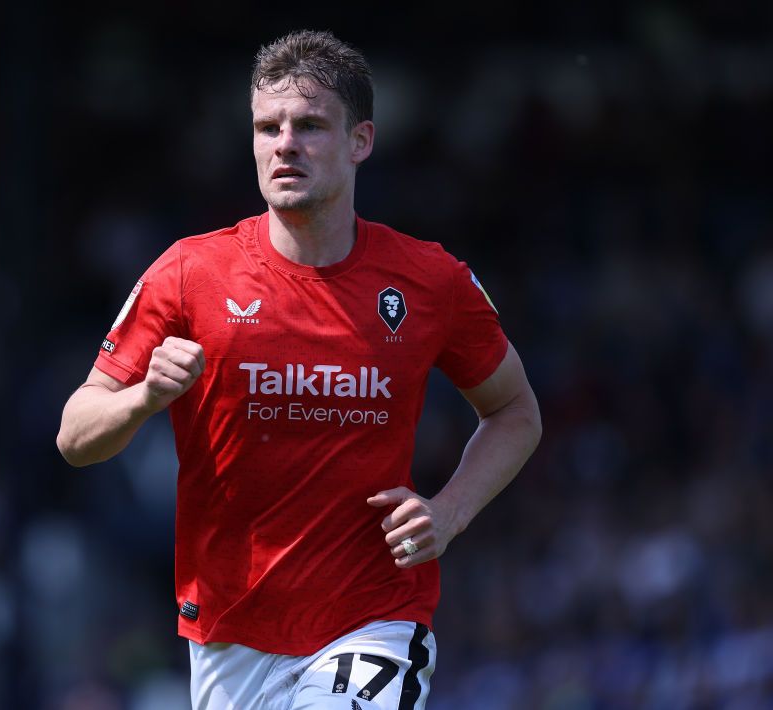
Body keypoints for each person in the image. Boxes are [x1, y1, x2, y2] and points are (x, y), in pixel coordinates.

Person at [57, 29, 541, 710]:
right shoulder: (188, 273)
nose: (285, 143)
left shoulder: (431, 280)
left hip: (375, 617)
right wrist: (141, 398)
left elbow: (516, 412)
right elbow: (75, 436)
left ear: (361, 141)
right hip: (230, 632)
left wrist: (450, 511)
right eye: (267, 127)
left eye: (310, 125)